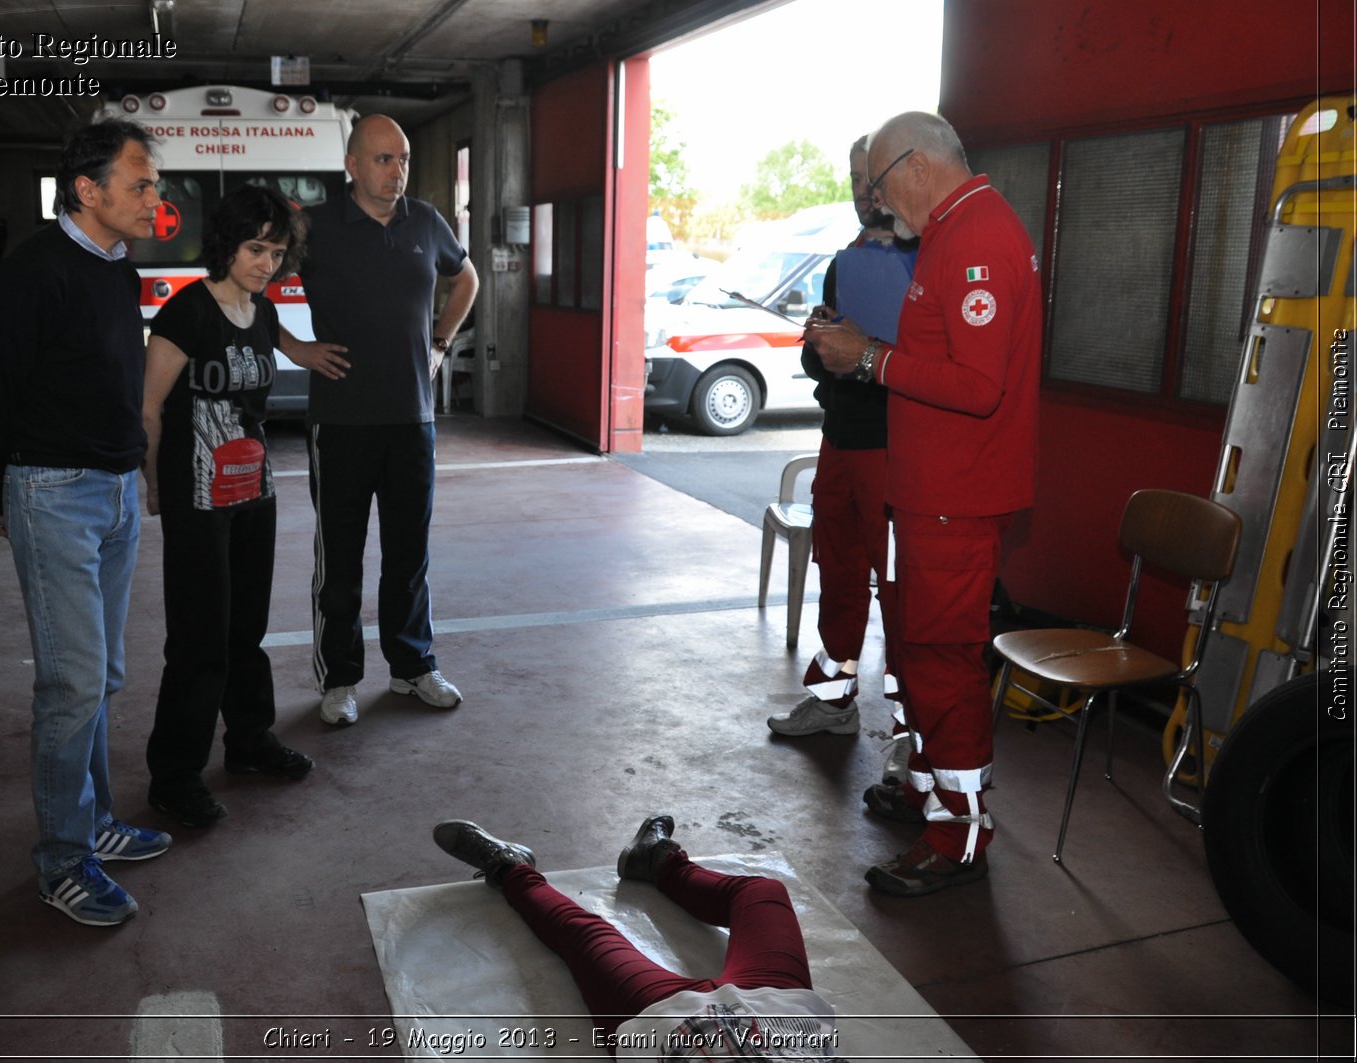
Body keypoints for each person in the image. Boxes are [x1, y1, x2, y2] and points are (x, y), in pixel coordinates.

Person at [806, 111, 1041, 897]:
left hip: (954, 497)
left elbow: (978, 387)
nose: (872, 202)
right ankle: (931, 789)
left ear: (912, 166)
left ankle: (959, 831)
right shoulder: (947, 231)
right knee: (916, 644)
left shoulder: (974, 238)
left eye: (876, 183)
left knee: (941, 657)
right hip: (927, 492)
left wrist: (869, 357)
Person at [0, 119, 172, 927]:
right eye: (142, 182)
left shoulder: (118, 268)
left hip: (113, 493)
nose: (156, 197)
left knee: (103, 677)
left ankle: (94, 825)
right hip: (53, 493)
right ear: (88, 189)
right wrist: (2, 498)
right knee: (71, 683)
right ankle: (61, 860)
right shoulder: (32, 274)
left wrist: (136, 474)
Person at [278, 114, 480, 727]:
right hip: (340, 423)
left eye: (404, 159)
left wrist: (441, 342)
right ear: (352, 166)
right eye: (384, 160)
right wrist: (294, 348)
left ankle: (412, 667)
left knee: (408, 554)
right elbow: (247, 278)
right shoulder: (314, 228)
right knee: (339, 559)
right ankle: (339, 679)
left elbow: (465, 277)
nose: (397, 172)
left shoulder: (425, 221)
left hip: (412, 421)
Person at [141, 185, 316, 827]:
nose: (266, 262)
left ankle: (247, 741)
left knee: (246, 628)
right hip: (195, 495)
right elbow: (149, 407)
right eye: (254, 248)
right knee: (198, 637)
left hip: (253, 490)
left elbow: (283, 355)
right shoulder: (186, 313)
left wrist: (313, 354)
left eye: (275, 251)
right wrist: (154, 483)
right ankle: (175, 774)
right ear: (226, 246)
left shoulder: (261, 313)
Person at [433, 816, 837, 1059]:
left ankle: (510, 868)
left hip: (665, 1029)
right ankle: (660, 864)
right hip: (783, 1013)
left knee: (585, 935)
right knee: (760, 893)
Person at [768, 137, 916, 781]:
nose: (863, 191)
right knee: (842, 574)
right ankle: (833, 704)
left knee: (906, 592)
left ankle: (917, 730)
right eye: (854, 179)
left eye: (871, 178)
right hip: (842, 441)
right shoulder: (845, 262)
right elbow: (816, 361)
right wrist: (821, 335)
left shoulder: (927, 260)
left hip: (901, 447)